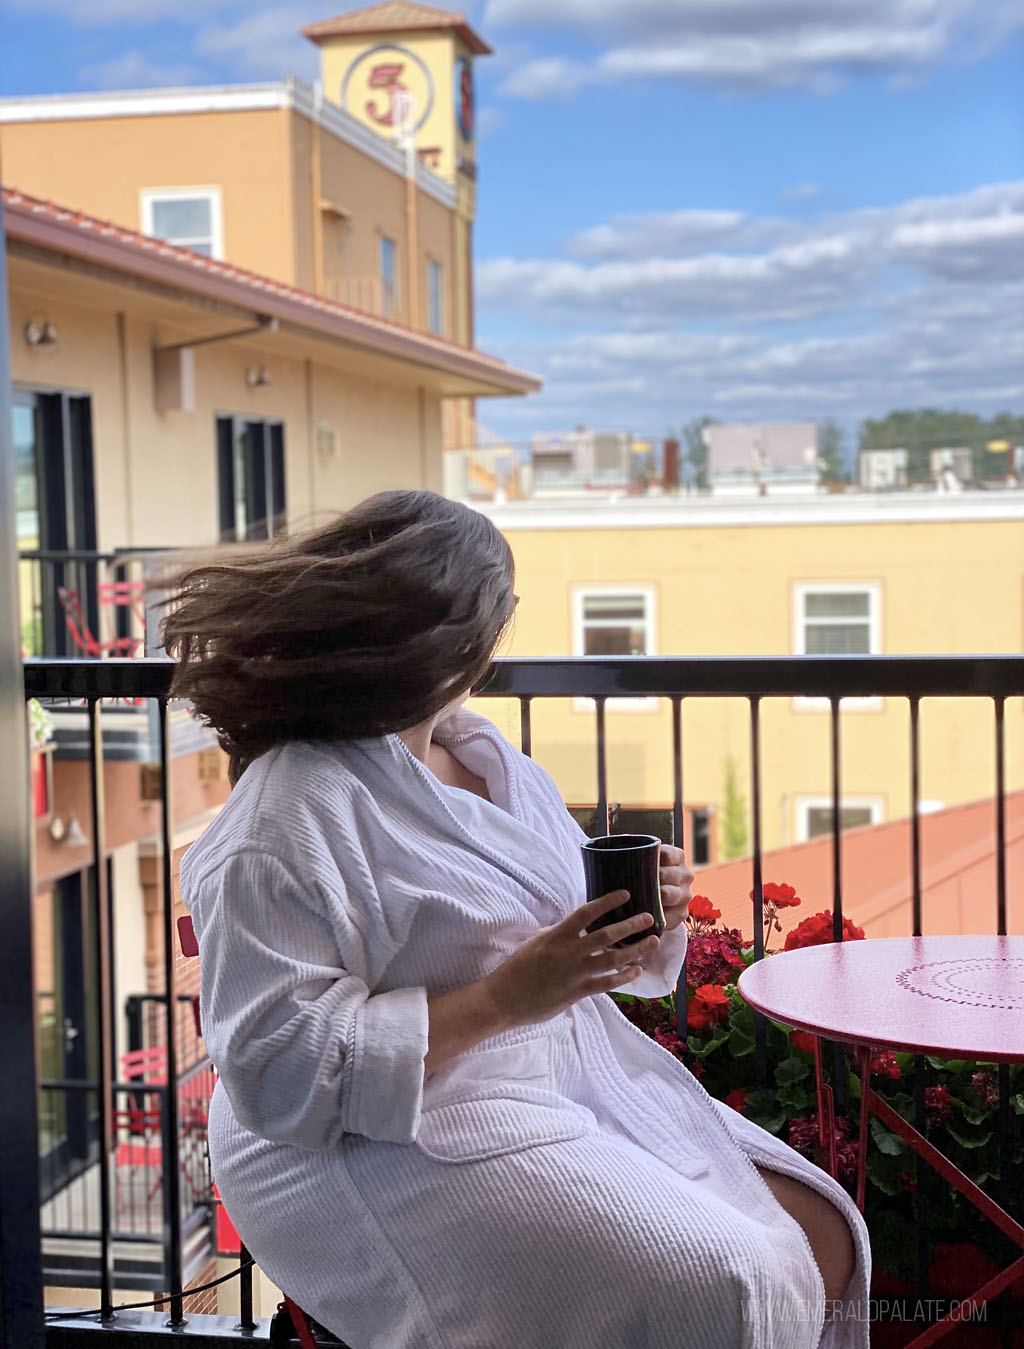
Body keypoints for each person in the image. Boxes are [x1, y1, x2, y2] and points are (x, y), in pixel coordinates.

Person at [169, 490, 869, 1349]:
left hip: (544, 1079)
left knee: (828, 1233)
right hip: (367, 1140)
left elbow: (549, 927)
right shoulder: (286, 814)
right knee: (724, 1279)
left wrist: (643, 917)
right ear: (453, 639)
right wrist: (507, 998)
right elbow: (279, 1074)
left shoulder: (483, 758)